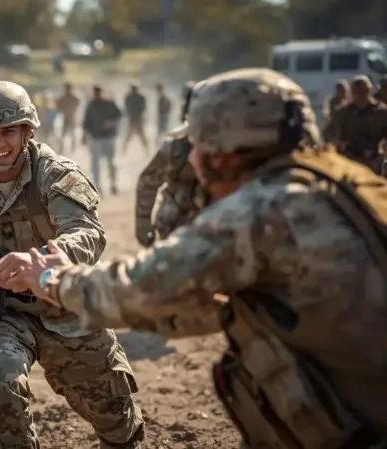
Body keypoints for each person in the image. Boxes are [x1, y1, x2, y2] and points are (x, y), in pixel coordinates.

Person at [20, 68, 387, 448]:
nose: (192, 158)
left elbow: (143, 290)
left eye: (196, 144)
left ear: (222, 151)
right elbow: (210, 309)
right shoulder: (348, 183)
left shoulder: (263, 209)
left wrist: (51, 279)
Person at [0, 80, 145, 449]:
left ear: (27, 130)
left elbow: (88, 233)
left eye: (9, 131)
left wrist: (45, 260)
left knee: (113, 416)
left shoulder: (55, 172)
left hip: (64, 298)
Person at [134, 83, 204, 247]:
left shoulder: (235, 146)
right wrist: (143, 222)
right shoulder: (177, 146)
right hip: (177, 226)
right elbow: (148, 181)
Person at [323, 75, 387, 174]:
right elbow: (327, 133)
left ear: (368, 91)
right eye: (355, 92)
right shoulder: (343, 112)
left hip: (372, 159)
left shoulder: (381, 112)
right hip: (348, 158)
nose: (358, 95)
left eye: (361, 91)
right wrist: (338, 142)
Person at [82, 85, 122, 195]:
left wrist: (111, 124)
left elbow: (119, 116)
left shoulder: (110, 103)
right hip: (96, 137)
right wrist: (84, 136)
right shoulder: (91, 105)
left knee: (111, 162)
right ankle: (97, 185)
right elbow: (86, 122)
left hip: (109, 137)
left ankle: (113, 183)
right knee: (95, 163)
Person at [123, 83, 149, 154]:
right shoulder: (140, 97)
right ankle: (146, 150)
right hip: (137, 119)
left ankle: (123, 150)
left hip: (133, 119)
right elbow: (144, 108)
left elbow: (126, 108)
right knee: (140, 136)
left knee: (130, 136)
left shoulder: (128, 97)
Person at [56, 82, 80, 153]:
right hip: (66, 119)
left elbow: (77, 107)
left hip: (72, 119)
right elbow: (59, 107)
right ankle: (62, 149)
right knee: (63, 135)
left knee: (73, 135)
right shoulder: (63, 98)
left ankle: (73, 148)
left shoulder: (74, 98)